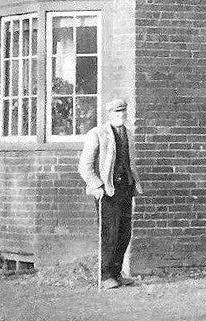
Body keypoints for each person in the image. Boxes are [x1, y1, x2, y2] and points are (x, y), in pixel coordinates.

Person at [78, 97, 144, 289]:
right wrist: (96, 185)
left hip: (126, 189)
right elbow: (85, 166)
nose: (121, 115)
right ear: (110, 114)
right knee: (110, 233)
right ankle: (105, 275)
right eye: (117, 113)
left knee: (124, 233)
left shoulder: (128, 133)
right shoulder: (97, 134)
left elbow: (129, 162)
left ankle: (117, 273)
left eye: (123, 112)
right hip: (107, 191)